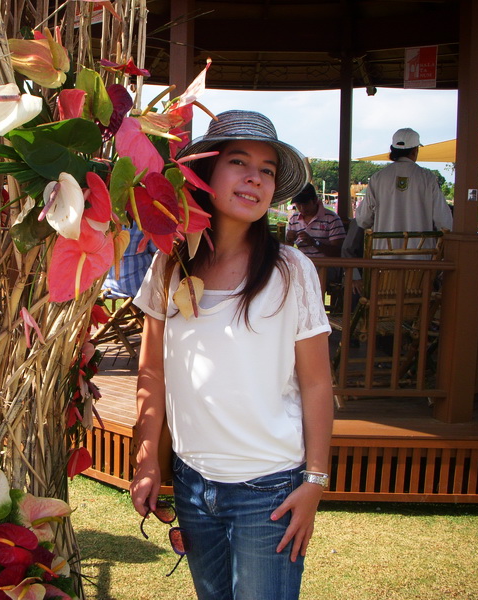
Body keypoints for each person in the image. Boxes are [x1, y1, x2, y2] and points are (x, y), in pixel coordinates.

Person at [130, 110, 334, 600]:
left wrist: (315, 481)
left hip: (270, 490)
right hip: (192, 483)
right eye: (238, 162)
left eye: (267, 170)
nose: (255, 178)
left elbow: (316, 383)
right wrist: (147, 459)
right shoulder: (170, 262)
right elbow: (152, 371)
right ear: (205, 173)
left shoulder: (292, 270)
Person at [354, 128, 453, 251]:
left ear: (392, 149)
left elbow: (363, 220)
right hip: (419, 257)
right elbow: (444, 223)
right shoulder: (428, 179)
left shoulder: (378, 178)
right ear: (415, 150)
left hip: (383, 256)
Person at [285, 182, 345, 258]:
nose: (302, 208)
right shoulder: (294, 219)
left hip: (326, 264)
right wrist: (289, 239)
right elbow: (287, 249)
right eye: (298, 204)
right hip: (302, 263)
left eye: (306, 204)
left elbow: (338, 252)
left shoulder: (332, 218)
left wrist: (314, 242)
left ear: (315, 200)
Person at [102, 221, 157, 299]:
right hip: (139, 288)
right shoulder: (145, 221)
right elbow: (156, 253)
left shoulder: (103, 221)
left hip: (106, 286)